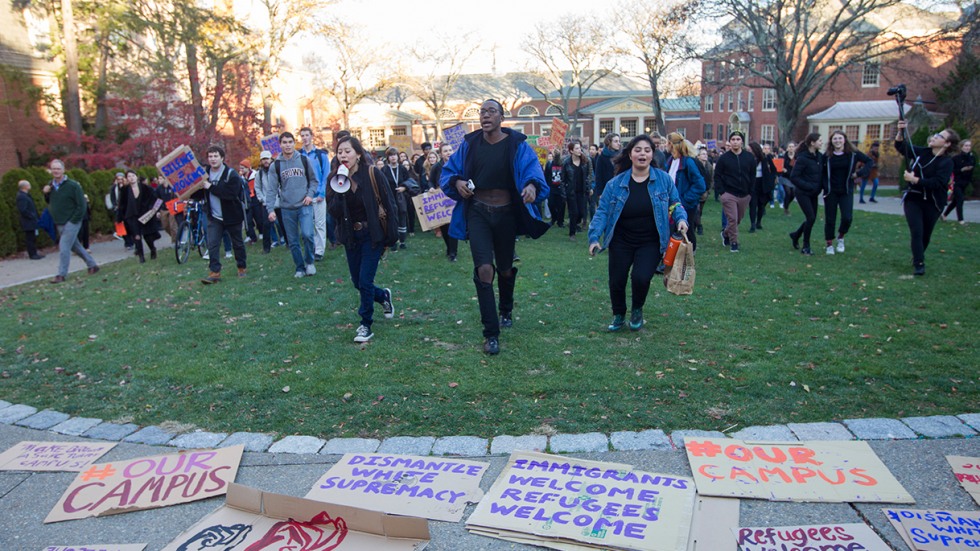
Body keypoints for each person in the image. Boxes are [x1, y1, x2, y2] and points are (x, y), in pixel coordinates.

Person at [440, 99, 550, 355]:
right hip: (477, 212)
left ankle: (506, 308)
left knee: (504, 269)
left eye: (491, 111)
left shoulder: (517, 145)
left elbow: (533, 172)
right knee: (485, 269)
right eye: (482, 112)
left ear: (502, 117)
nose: (485, 116)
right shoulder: (469, 144)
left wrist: (532, 186)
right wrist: (457, 182)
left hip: (506, 214)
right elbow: (448, 173)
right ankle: (491, 334)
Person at [588, 134, 688, 331]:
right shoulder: (615, 184)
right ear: (630, 154)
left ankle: (637, 310)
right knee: (617, 280)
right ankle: (618, 314)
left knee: (641, 278)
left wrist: (681, 218)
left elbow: (675, 203)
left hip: (650, 241)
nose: (642, 153)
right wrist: (594, 237)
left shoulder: (663, 180)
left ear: (653, 155)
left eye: (647, 150)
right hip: (621, 240)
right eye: (638, 150)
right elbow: (602, 212)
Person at [326, 135, 397, 343]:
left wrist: (390, 237)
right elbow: (334, 212)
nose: (343, 155)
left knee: (365, 280)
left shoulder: (372, 173)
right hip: (351, 236)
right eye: (340, 152)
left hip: (372, 234)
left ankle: (365, 324)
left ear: (358, 153)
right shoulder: (335, 178)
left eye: (347, 151)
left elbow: (389, 204)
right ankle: (383, 296)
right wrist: (341, 188)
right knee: (358, 282)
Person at [895, 121, 959, 275]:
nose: (935, 137)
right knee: (916, 231)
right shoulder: (923, 152)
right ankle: (919, 263)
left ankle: (918, 255)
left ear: (947, 144)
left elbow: (938, 183)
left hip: (934, 202)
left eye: (940, 136)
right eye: (936, 134)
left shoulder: (947, 162)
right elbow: (902, 147)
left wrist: (915, 180)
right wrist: (900, 131)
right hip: (913, 199)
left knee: (926, 233)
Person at [267, 132, 318, 278]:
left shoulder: (303, 159)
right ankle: (299, 267)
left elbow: (314, 181)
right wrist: (270, 209)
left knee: (307, 234)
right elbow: (271, 189)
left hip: (304, 205)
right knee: (293, 241)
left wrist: (309, 195)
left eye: (290, 142)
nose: (288, 145)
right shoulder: (276, 165)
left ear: (294, 143)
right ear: (280, 144)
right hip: (287, 208)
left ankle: (309, 262)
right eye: (284, 142)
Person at [43, 159, 99, 283]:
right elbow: (50, 202)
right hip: (59, 222)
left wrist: (74, 220)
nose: (56, 171)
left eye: (58, 168)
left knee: (63, 247)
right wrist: (46, 193)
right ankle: (92, 265)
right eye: (53, 169)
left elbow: (81, 205)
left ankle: (61, 275)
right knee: (75, 247)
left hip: (72, 222)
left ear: (63, 170)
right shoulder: (51, 186)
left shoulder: (73, 185)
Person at [198, 145, 247, 283]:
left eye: (215, 156)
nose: (212, 159)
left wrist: (211, 187)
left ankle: (241, 267)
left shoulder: (231, 174)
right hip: (214, 217)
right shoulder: (204, 174)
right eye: (210, 156)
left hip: (232, 216)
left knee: (237, 243)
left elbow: (231, 194)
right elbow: (198, 193)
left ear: (222, 158)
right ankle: (214, 272)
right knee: (212, 244)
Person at [823, 130, 873, 255]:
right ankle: (829, 244)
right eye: (835, 139)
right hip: (831, 191)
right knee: (830, 219)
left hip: (846, 190)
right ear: (831, 141)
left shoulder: (853, 154)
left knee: (847, 217)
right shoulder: (827, 156)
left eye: (840, 138)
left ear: (844, 140)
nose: (837, 141)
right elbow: (821, 172)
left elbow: (869, 161)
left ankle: (841, 237)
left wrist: (858, 173)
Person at [715, 131, 755, 252]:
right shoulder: (724, 158)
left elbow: (753, 175)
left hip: (744, 194)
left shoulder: (749, 157)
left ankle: (725, 234)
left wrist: (750, 192)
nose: (735, 142)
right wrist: (722, 192)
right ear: (730, 142)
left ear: (742, 142)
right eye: (733, 139)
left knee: (737, 220)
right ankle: (734, 243)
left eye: (738, 139)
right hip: (729, 194)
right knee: (732, 218)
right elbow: (717, 176)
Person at [664, 132, 706, 250]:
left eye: (667, 142)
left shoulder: (688, 162)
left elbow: (700, 185)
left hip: (685, 204)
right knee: (671, 233)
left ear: (672, 144)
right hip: (671, 204)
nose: (665, 145)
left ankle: (689, 256)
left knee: (686, 231)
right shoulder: (670, 161)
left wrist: (685, 199)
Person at [788, 133, 825, 256]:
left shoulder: (819, 157)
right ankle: (806, 246)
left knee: (812, 218)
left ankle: (796, 235)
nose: (821, 142)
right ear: (812, 143)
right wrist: (809, 186)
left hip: (813, 193)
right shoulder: (803, 158)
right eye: (819, 140)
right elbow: (794, 177)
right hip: (803, 193)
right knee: (811, 217)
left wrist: (819, 188)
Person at [299, 127, 331, 258]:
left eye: (307, 135)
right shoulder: (298, 155)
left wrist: (322, 193)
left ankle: (319, 251)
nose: (305, 138)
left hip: (318, 195)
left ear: (311, 136)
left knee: (320, 224)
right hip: (304, 195)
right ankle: (310, 248)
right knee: (307, 225)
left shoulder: (320, 155)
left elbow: (326, 176)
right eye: (302, 135)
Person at [117, 169, 162, 263]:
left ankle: (152, 249)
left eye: (133, 176)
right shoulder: (125, 190)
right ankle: (141, 256)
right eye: (129, 176)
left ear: (136, 177)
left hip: (145, 215)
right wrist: (120, 217)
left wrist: (154, 210)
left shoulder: (146, 188)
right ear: (127, 179)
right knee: (137, 236)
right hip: (132, 216)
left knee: (147, 236)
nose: (131, 178)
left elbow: (155, 199)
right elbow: (122, 204)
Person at [425, 145, 459, 261]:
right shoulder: (436, 167)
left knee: (452, 225)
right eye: (445, 151)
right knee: (444, 227)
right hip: (441, 199)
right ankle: (449, 248)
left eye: (450, 150)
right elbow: (430, 181)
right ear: (440, 154)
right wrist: (431, 188)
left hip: (454, 199)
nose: (448, 153)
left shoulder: (458, 164)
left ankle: (453, 253)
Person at [562, 139, 594, 240]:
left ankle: (575, 224)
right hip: (571, 192)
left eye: (580, 148)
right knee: (573, 212)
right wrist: (564, 194)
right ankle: (572, 233)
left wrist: (589, 188)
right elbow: (562, 180)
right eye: (577, 148)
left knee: (581, 213)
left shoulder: (585, 161)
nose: (579, 150)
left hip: (582, 191)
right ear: (571, 151)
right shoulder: (566, 163)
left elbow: (588, 176)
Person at [382, 146, 413, 249]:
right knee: (391, 218)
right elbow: (381, 183)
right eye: (390, 155)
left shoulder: (402, 168)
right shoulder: (384, 169)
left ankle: (402, 241)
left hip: (401, 197)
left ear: (398, 156)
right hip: (389, 197)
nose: (393, 157)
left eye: (394, 155)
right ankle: (393, 241)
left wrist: (404, 188)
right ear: (388, 158)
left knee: (402, 216)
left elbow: (409, 180)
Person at [748, 141, 777, 232]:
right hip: (753, 184)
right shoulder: (748, 159)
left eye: (750, 150)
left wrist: (771, 180)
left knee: (761, 204)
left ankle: (758, 222)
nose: (749, 151)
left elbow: (773, 169)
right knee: (753, 204)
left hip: (762, 183)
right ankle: (752, 224)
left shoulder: (765, 158)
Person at [944, 139, 974, 223]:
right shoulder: (956, 158)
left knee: (955, 201)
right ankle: (960, 220)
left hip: (965, 182)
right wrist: (961, 169)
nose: (968, 148)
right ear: (961, 147)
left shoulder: (971, 157)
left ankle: (944, 215)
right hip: (956, 182)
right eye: (966, 146)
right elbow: (952, 171)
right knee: (960, 199)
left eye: (969, 146)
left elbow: (972, 169)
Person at [16, 180, 44, 259]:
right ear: (24, 186)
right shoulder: (22, 196)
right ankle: (32, 254)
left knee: (33, 237)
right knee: (30, 238)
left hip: (31, 220)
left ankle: (35, 252)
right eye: (28, 184)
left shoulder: (26, 195)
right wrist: (32, 216)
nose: (30, 186)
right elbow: (23, 210)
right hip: (28, 221)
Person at [594, 133, 621, 202]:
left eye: (619, 141)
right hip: (607, 190)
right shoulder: (602, 157)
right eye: (616, 141)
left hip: (621, 188)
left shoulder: (622, 156)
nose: (618, 143)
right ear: (609, 142)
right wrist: (600, 193)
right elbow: (598, 176)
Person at [694, 148, 713, 236]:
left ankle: (695, 225)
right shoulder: (695, 166)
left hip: (705, 192)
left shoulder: (709, 166)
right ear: (698, 156)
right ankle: (700, 226)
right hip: (695, 192)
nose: (705, 155)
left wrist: (708, 191)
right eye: (703, 154)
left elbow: (711, 179)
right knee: (696, 210)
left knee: (700, 211)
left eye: (706, 154)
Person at [544, 148, 565, 227]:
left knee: (561, 206)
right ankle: (554, 218)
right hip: (551, 188)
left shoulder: (563, 164)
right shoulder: (549, 164)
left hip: (561, 188)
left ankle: (560, 221)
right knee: (551, 204)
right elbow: (546, 176)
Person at [780, 142, 798, 215]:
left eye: (792, 146)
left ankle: (785, 204)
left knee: (793, 193)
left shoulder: (796, 157)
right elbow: (779, 166)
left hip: (793, 177)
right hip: (785, 177)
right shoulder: (784, 157)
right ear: (787, 148)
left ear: (794, 148)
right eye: (789, 146)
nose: (791, 148)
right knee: (788, 192)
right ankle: (786, 209)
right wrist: (782, 169)